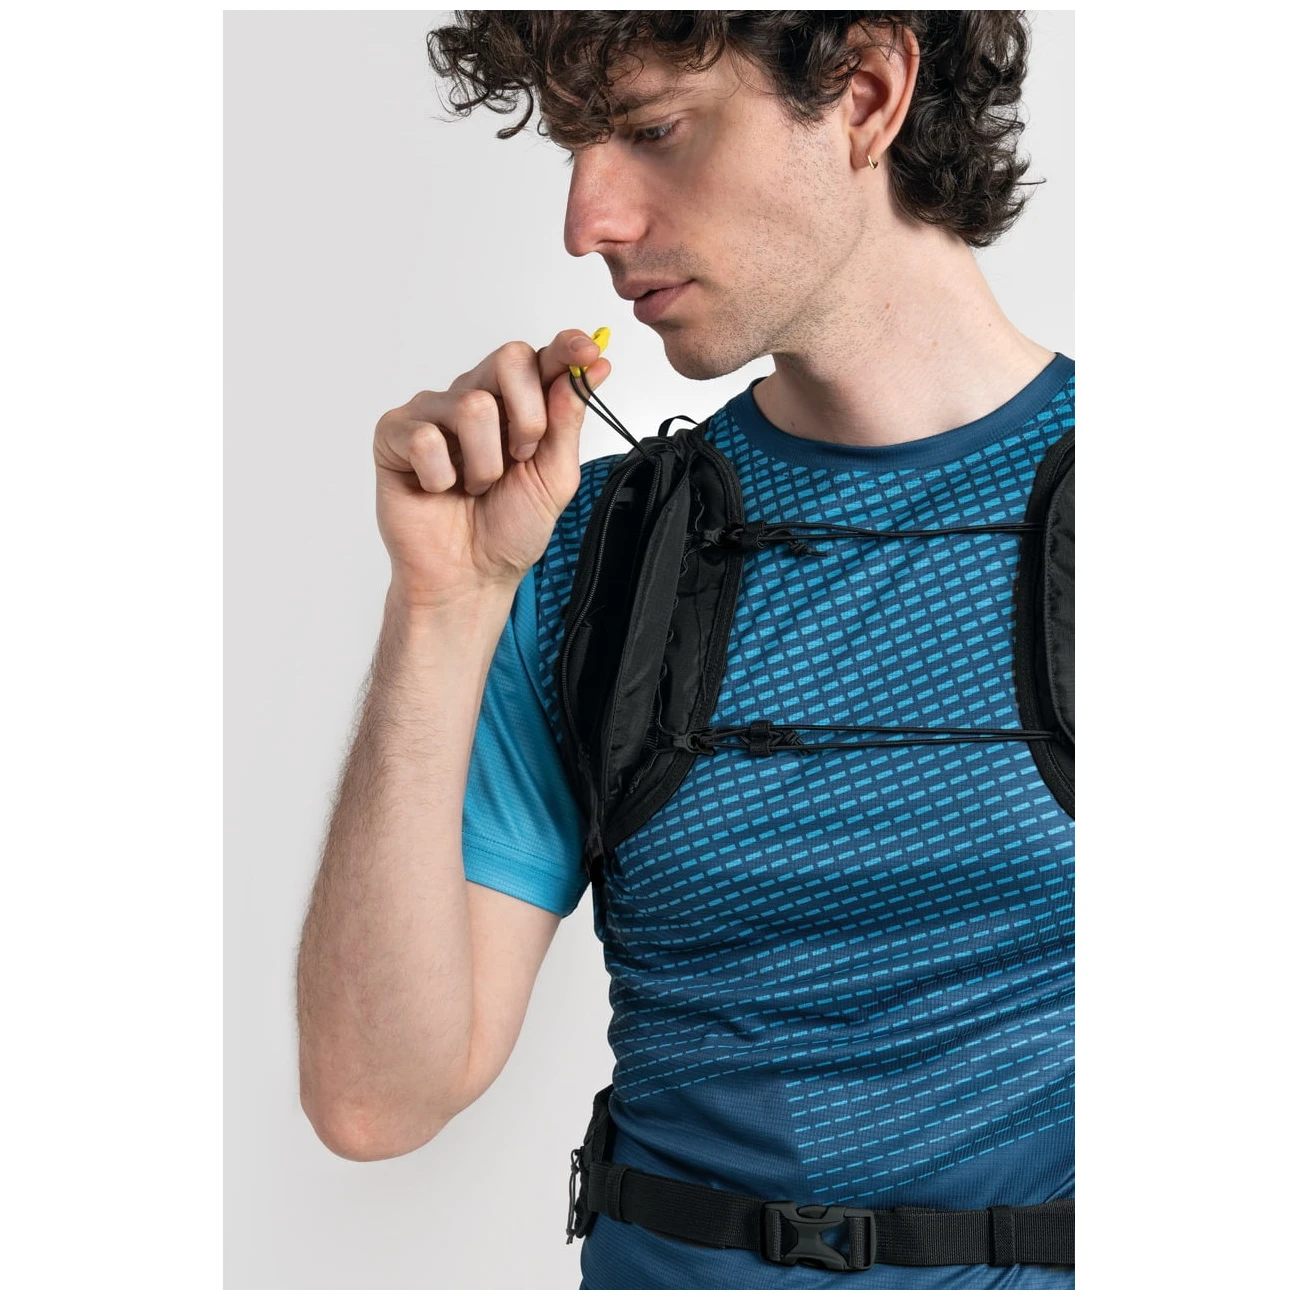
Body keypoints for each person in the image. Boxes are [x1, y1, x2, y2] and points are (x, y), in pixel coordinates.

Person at [295, 11, 1074, 1290]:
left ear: (866, 94)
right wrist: (442, 604)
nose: (586, 219)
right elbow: (376, 1098)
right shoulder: (595, 555)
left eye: (653, 129)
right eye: (575, 148)